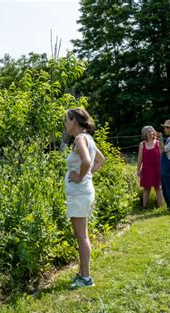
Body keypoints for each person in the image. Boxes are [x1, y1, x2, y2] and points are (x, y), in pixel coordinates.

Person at [64, 108, 105, 289]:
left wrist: (80, 177)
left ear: (74, 121)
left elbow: (88, 161)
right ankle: (82, 273)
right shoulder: (88, 138)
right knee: (82, 235)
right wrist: (87, 176)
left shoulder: (80, 139)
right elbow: (100, 160)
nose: (65, 124)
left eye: (67, 120)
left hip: (80, 194)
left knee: (81, 236)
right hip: (84, 192)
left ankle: (86, 277)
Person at [137, 126, 163, 210]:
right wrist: (138, 169)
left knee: (158, 188)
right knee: (146, 189)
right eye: (148, 132)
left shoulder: (158, 143)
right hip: (146, 169)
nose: (151, 133)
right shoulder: (142, 144)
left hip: (157, 169)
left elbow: (162, 156)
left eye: (152, 131)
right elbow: (140, 158)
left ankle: (161, 207)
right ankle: (144, 207)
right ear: (145, 134)